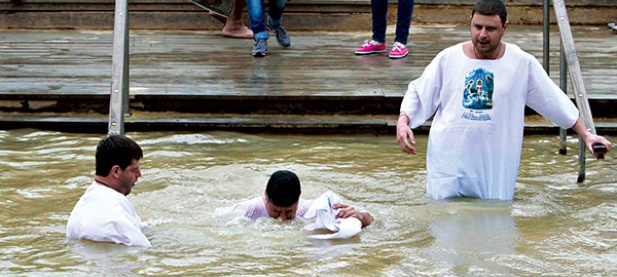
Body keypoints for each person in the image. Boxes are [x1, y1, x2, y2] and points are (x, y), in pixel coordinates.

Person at [396, 0, 612, 201]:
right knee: (445, 227)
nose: (482, 34)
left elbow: (554, 99)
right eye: (477, 27)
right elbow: (419, 91)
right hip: (448, 165)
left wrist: (586, 135)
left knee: (494, 228)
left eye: (490, 29)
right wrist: (404, 121)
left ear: (504, 28)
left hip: (495, 166)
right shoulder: (448, 58)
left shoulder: (521, 63)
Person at [66, 135, 151, 248]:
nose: (139, 174)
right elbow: (144, 249)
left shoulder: (83, 204)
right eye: (134, 170)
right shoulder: (116, 211)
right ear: (116, 171)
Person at [233, 170, 374, 228]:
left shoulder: (310, 210)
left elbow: (376, 221)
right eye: (276, 211)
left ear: (298, 201)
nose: (281, 219)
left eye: (288, 212)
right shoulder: (249, 210)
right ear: (266, 198)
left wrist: (360, 217)